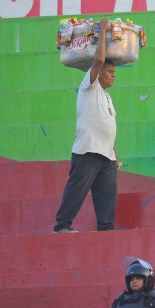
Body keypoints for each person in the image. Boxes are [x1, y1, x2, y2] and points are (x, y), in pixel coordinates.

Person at [53, 18, 123, 233]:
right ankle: (62, 225)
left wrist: (116, 156)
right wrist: (103, 31)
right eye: (110, 72)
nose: (113, 76)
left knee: (107, 196)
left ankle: (106, 229)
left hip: (107, 156)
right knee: (77, 189)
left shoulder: (108, 97)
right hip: (87, 151)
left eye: (114, 73)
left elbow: (109, 127)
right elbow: (99, 59)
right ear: (99, 72)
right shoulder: (89, 86)